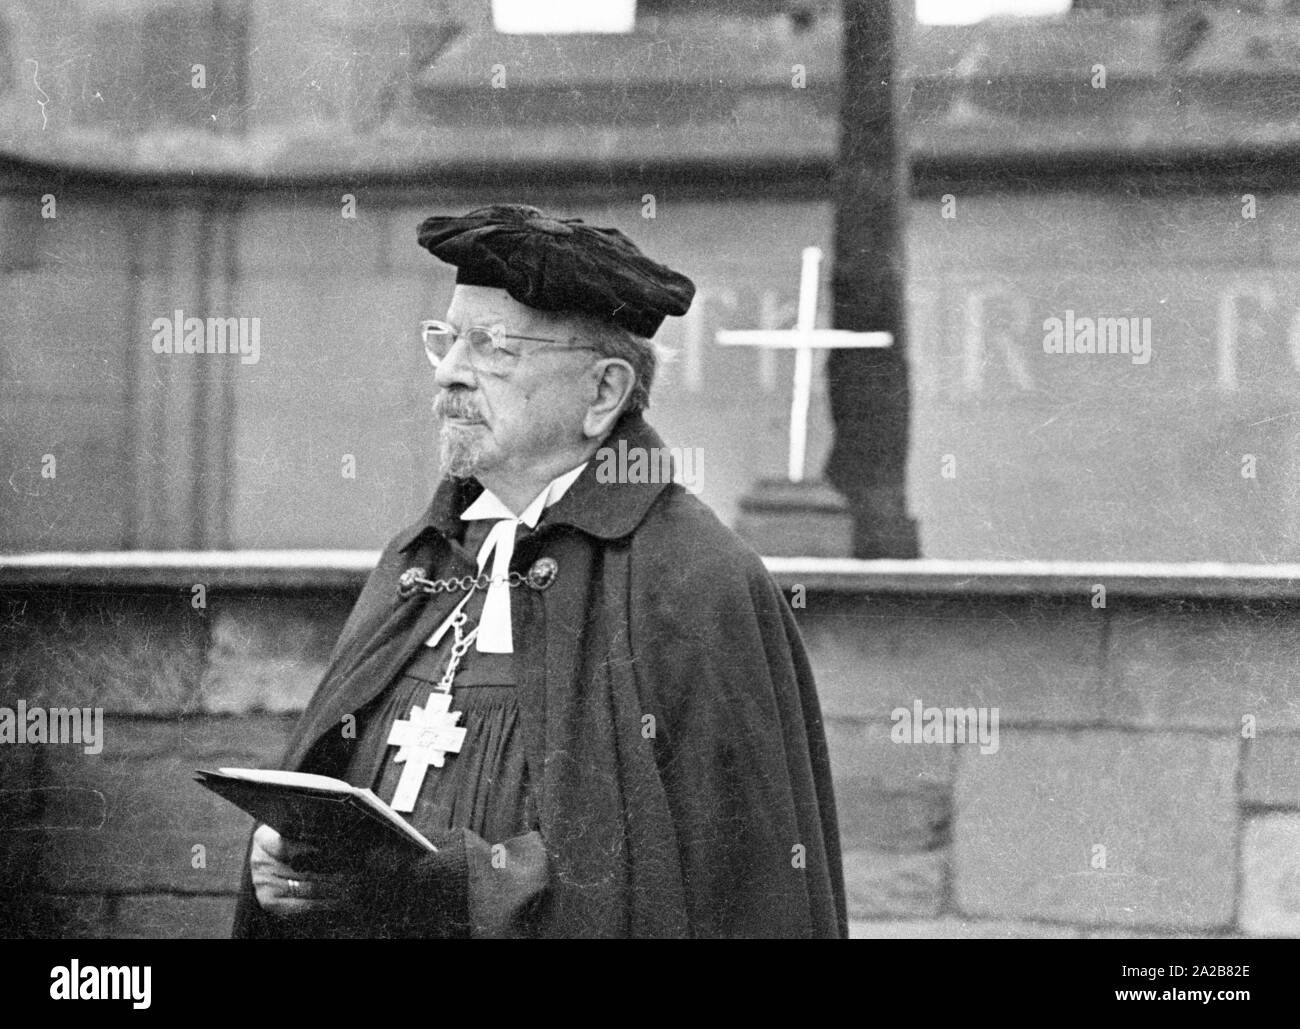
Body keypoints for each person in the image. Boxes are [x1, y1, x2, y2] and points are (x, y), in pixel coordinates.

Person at [231, 203, 846, 938]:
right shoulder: (422, 557)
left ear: (602, 394)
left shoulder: (694, 582)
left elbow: (691, 883)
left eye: (493, 348)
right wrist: (287, 863)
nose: (451, 374)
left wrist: (438, 885)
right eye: (447, 340)